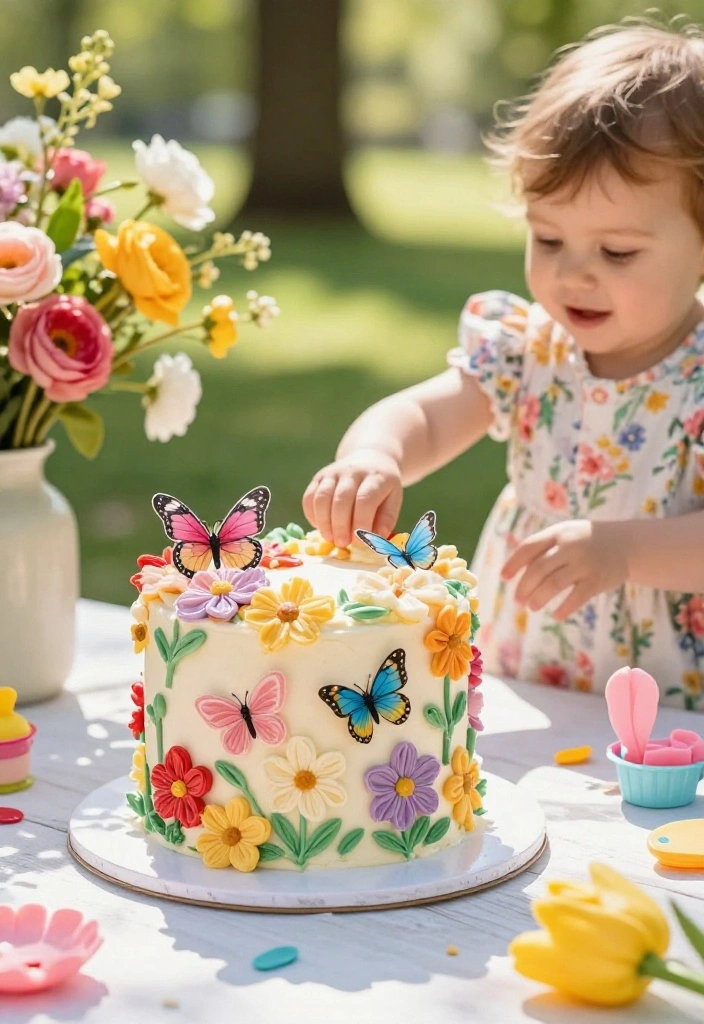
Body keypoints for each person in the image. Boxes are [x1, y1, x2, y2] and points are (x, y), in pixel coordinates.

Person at [302, 19, 704, 707]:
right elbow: (428, 416)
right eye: (548, 239)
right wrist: (374, 456)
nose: (573, 274)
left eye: (617, 253)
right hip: (527, 668)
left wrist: (624, 551)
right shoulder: (527, 350)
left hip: (674, 706)